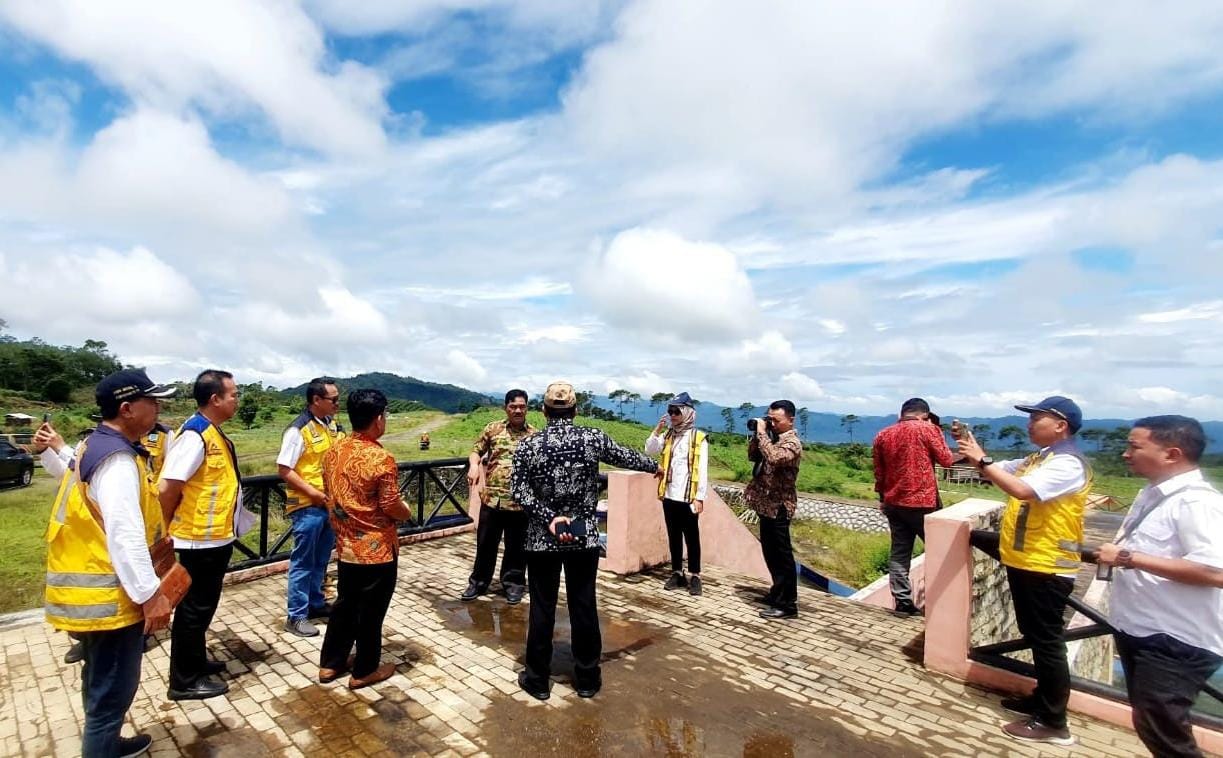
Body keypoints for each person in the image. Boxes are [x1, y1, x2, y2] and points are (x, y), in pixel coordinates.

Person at [42, 369, 176, 757]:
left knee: (99, 681)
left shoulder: (92, 446)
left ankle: (109, 743)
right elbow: (124, 534)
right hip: (110, 598)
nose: (158, 408)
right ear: (127, 408)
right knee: (112, 690)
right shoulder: (117, 460)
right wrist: (151, 595)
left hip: (94, 595)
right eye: (153, 402)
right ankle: (102, 747)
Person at [956, 396, 1092, 747]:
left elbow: (1021, 489)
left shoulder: (1067, 464)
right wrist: (976, 458)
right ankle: (1041, 698)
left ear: (1061, 425)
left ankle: (1053, 722)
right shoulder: (1038, 459)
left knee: (1047, 643)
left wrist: (982, 459)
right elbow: (996, 472)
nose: (1030, 424)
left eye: (1037, 418)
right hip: (1026, 561)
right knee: (1036, 636)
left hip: (1047, 565)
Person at [510, 381, 659, 700]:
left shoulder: (529, 445)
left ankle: (537, 680)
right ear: (576, 410)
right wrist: (655, 466)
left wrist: (549, 516)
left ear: (544, 411)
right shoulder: (592, 437)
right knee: (583, 605)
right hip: (582, 534)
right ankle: (588, 679)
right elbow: (626, 457)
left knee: (542, 608)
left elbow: (519, 491)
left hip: (543, 537)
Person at [1095, 416, 1223, 758]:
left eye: (1135, 446)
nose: (1125, 454)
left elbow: (1215, 571)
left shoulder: (1196, 503)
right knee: (1153, 723)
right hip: (1143, 629)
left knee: (1162, 727)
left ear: (1172, 454)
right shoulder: (1154, 492)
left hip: (1174, 640)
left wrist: (1126, 557)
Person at [318, 389, 413, 690]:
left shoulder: (334, 450)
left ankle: (330, 664)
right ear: (379, 418)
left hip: (345, 545)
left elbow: (330, 494)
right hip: (376, 550)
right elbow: (391, 506)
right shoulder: (380, 457)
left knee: (345, 604)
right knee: (371, 611)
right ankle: (365, 669)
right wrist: (406, 511)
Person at [159, 370, 241, 701]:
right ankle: (184, 680)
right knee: (193, 609)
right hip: (197, 538)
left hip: (215, 536)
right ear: (214, 399)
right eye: (233, 394)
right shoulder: (194, 436)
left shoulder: (212, 432)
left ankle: (195, 661)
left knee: (203, 607)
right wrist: (164, 531)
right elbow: (168, 487)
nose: (237, 400)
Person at [871, 397, 956, 616]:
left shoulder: (882, 435)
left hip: (893, 502)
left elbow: (879, 473)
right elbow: (946, 460)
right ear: (924, 415)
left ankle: (902, 602)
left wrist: (883, 499)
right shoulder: (927, 430)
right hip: (923, 502)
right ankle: (940, 602)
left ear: (902, 413)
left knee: (900, 552)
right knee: (940, 550)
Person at [277, 378, 344, 637]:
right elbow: (285, 469)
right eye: (333, 400)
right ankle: (296, 615)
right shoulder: (298, 429)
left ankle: (315, 603)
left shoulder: (334, 426)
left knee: (321, 558)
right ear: (316, 400)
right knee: (303, 561)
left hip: (328, 505)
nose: (338, 404)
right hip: (307, 506)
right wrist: (314, 493)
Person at [460, 389, 536, 604]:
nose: (518, 410)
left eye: (522, 406)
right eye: (513, 407)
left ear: (527, 408)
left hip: (520, 503)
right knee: (485, 544)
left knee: (517, 547)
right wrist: (474, 466)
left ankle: (513, 584)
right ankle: (478, 583)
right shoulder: (493, 429)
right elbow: (476, 450)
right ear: (506, 408)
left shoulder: (534, 436)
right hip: (492, 500)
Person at [644, 392, 708, 596]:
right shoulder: (669, 435)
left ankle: (695, 575)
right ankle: (677, 572)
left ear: (687, 413)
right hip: (670, 494)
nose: (672, 416)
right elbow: (650, 450)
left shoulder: (698, 438)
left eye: (676, 412)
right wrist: (657, 430)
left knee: (692, 536)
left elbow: (703, 470)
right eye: (670, 411)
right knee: (673, 535)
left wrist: (699, 497)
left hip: (688, 495)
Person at [745, 400, 804, 619]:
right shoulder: (773, 439)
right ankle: (777, 592)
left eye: (776, 420)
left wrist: (763, 435)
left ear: (791, 420)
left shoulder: (792, 443)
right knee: (770, 552)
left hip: (780, 506)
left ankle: (788, 604)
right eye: (769, 419)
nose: (772, 424)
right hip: (766, 505)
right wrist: (759, 435)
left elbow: (775, 457)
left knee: (782, 555)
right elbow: (754, 456)